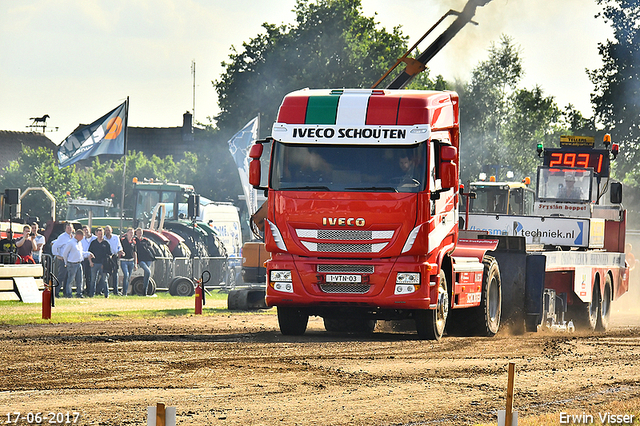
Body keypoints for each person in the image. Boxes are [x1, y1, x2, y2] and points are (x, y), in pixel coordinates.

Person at [61, 229, 93, 298]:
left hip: (79, 263)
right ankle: (69, 293)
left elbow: (81, 253)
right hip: (72, 263)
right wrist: (66, 263)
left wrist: (88, 254)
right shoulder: (70, 242)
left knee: (80, 279)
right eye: (82, 236)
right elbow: (65, 253)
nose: (83, 238)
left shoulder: (79, 243)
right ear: (78, 235)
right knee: (71, 279)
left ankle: (79, 293)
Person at [88, 228, 112, 298]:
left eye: (101, 234)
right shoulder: (93, 243)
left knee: (104, 280)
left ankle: (106, 294)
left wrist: (105, 264)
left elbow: (109, 255)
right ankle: (91, 294)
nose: (100, 235)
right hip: (94, 264)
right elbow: (89, 253)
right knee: (93, 280)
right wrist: (90, 262)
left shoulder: (106, 243)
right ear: (96, 234)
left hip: (103, 265)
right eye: (99, 234)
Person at [51, 223, 74, 297]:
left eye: (70, 228)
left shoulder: (73, 237)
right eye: (68, 228)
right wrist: (57, 255)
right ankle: (56, 292)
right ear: (65, 229)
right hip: (63, 260)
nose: (69, 229)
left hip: (70, 260)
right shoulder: (62, 237)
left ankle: (66, 292)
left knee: (68, 277)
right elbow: (54, 246)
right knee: (61, 277)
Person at [134, 228, 155, 296]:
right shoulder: (134, 240)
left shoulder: (145, 240)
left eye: (140, 232)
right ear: (136, 233)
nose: (139, 234)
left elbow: (150, 246)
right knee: (148, 271)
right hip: (141, 260)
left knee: (147, 275)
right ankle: (144, 290)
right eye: (138, 232)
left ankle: (144, 291)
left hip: (147, 259)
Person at [104, 226, 124, 295]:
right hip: (106, 258)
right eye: (106, 230)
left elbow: (119, 246)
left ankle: (115, 291)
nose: (107, 232)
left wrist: (120, 251)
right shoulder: (103, 238)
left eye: (108, 230)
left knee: (115, 274)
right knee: (106, 274)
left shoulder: (116, 237)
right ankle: (103, 290)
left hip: (114, 257)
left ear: (111, 230)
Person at [120, 228, 137, 296]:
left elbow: (134, 253)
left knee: (128, 277)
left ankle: (125, 291)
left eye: (132, 233)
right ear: (127, 233)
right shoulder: (122, 241)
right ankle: (124, 292)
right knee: (126, 275)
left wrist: (135, 263)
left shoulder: (134, 242)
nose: (131, 234)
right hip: (124, 261)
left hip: (131, 261)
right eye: (130, 232)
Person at [81, 226, 95, 296]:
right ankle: (84, 290)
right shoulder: (81, 240)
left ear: (89, 230)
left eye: (86, 230)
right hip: (84, 260)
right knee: (84, 276)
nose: (86, 232)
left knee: (91, 276)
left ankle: (90, 290)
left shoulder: (95, 238)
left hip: (93, 260)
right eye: (84, 230)